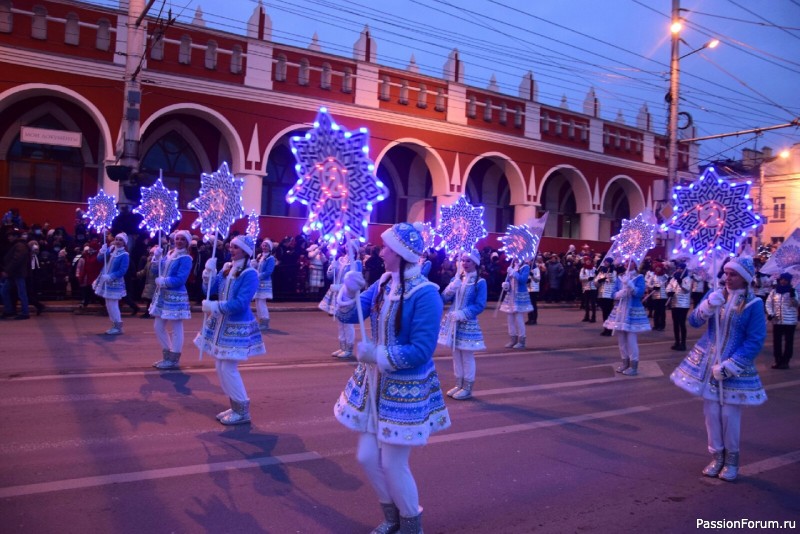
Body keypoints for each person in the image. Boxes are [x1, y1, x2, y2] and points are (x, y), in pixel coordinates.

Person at [334, 222, 450, 534]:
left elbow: (422, 350)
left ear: (399, 254)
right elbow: (346, 315)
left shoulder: (426, 295)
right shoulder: (384, 283)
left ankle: (411, 524)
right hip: (374, 386)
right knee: (367, 457)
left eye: (386, 248)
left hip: (405, 391)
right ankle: (392, 517)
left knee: (393, 463)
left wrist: (378, 355)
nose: (380, 252)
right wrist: (347, 289)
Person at [670, 256, 767, 481]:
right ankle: (716, 457)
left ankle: (732, 461)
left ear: (744, 278)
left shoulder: (754, 304)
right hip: (707, 366)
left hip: (733, 369)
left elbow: (755, 339)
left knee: (729, 415)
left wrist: (731, 366)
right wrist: (707, 305)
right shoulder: (716, 294)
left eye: (733, 274)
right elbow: (694, 322)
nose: (727, 278)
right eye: (725, 273)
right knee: (711, 413)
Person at [196, 234, 266, 425]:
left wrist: (215, 307)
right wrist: (207, 275)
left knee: (228, 367)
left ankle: (242, 410)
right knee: (220, 366)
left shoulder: (250, 274)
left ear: (245, 250)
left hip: (237, 326)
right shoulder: (228, 268)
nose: (231, 249)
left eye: (235, 247)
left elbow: (241, 303)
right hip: (221, 324)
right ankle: (235, 406)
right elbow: (209, 291)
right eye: (231, 246)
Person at [439, 249, 487, 400]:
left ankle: (467, 387)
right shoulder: (458, 278)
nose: (464, 263)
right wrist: (452, 287)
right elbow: (443, 299)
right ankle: (458, 384)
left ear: (475, 263)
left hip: (467, 323)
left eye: (468, 261)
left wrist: (462, 313)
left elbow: (480, 305)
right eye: (463, 260)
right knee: (455, 354)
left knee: (466, 356)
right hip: (453, 323)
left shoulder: (480, 281)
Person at [151, 231, 193, 370]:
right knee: (158, 326)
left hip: (175, 297)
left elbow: (181, 279)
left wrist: (164, 281)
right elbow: (155, 272)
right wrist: (156, 258)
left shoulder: (186, 258)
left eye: (182, 239)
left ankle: (174, 358)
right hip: (163, 295)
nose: (179, 241)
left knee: (176, 328)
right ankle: (167, 355)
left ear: (187, 242)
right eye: (177, 239)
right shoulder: (169, 254)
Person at [604, 260, 651, 376]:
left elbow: (640, 294)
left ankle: (634, 366)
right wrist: (619, 293)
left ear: (635, 263)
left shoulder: (639, 277)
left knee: (631, 341)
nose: (626, 263)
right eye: (625, 261)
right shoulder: (620, 277)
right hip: (620, 311)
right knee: (621, 341)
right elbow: (613, 293)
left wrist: (631, 286)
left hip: (632, 312)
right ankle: (625, 363)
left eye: (630, 261)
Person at [319, 248, 356, 359]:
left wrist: (340, 287)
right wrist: (332, 267)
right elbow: (330, 276)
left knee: (347, 323)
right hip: (337, 294)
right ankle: (342, 347)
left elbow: (354, 283)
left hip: (347, 296)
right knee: (340, 322)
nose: (347, 248)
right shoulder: (340, 260)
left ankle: (348, 349)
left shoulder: (356, 263)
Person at [95, 233, 130, 335]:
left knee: (113, 304)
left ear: (124, 243)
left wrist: (111, 276)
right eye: (117, 239)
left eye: (120, 240)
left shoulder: (124, 255)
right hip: (106, 281)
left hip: (114, 283)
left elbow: (122, 270)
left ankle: (118, 326)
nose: (118, 241)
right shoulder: (111, 250)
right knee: (108, 304)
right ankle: (114, 325)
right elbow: (100, 260)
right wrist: (102, 251)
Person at [765, 272, 797, 369]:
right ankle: (777, 360)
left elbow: (796, 305)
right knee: (777, 342)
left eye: (785, 280)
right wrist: (770, 313)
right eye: (782, 279)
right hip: (777, 321)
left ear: (789, 281)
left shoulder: (793, 291)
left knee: (789, 342)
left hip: (790, 321)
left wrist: (793, 296)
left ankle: (785, 361)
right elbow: (768, 303)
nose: (783, 281)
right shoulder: (774, 291)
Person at [500, 260, 533, 349]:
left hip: (519, 296)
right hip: (511, 296)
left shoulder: (525, 267)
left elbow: (523, 280)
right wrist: (506, 284)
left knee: (519, 318)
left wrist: (513, 272)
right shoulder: (513, 266)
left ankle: (521, 341)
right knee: (510, 319)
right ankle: (512, 339)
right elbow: (508, 279)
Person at [666, 260, 692, 351]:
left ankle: (683, 343)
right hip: (674, 303)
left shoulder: (687, 278)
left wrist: (680, 282)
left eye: (681, 269)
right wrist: (669, 292)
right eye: (678, 268)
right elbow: (669, 287)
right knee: (675, 324)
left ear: (684, 270)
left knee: (682, 323)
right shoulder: (674, 278)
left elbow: (687, 289)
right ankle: (677, 342)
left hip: (683, 304)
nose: (679, 270)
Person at [253, 239, 275, 331]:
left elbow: (269, 271)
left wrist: (258, 275)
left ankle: (265, 321)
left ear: (270, 248)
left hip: (264, 283)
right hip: (257, 282)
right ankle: (261, 321)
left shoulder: (271, 258)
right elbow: (256, 267)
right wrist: (253, 265)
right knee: (257, 302)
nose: (264, 247)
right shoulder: (259, 256)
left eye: (266, 246)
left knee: (262, 302)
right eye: (263, 245)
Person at [596, 257, 617, 336]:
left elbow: (614, 280)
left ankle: (610, 329)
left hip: (609, 295)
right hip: (602, 294)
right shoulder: (602, 271)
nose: (605, 263)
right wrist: (599, 280)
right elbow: (596, 282)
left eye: (607, 262)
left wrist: (606, 276)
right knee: (604, 313)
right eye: (605, 262)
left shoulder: (613, 271)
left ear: (610, 263)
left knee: (609, 313)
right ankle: (605, 329)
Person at [647, 261, 669, 331]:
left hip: (663, 296)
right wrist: (653, 287)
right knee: (656, 311)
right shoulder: (653, 276)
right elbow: (648, 284)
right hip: (655, 296)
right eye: (656, 267)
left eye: (659, 267)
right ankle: (656, 325)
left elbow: (669, 284)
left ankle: (662, 325)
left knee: (662, 311)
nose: (657, 269)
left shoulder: (665, 276)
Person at [579, 257, 597, 322]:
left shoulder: (594, 269)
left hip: (593, 287)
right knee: (586, 303)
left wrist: (595, 278)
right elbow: (581, 278)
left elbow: (597, 277)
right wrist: (588, 278)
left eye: (589, 260)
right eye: (587, 261)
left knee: (593, 303)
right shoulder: (583, 269)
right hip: (586, 287)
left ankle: (593, 317)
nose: (588, 262)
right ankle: (586, 316)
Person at [526, 257, 541, 325]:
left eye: (530, 261)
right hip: (528, 288)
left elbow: (537, 279)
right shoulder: (528, 268)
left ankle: (534, 319)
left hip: (534, 288)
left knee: (533, 304)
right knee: (528, 304)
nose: (529, 262)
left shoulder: (536, 269)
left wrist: (532, 276)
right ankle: (530, 318)